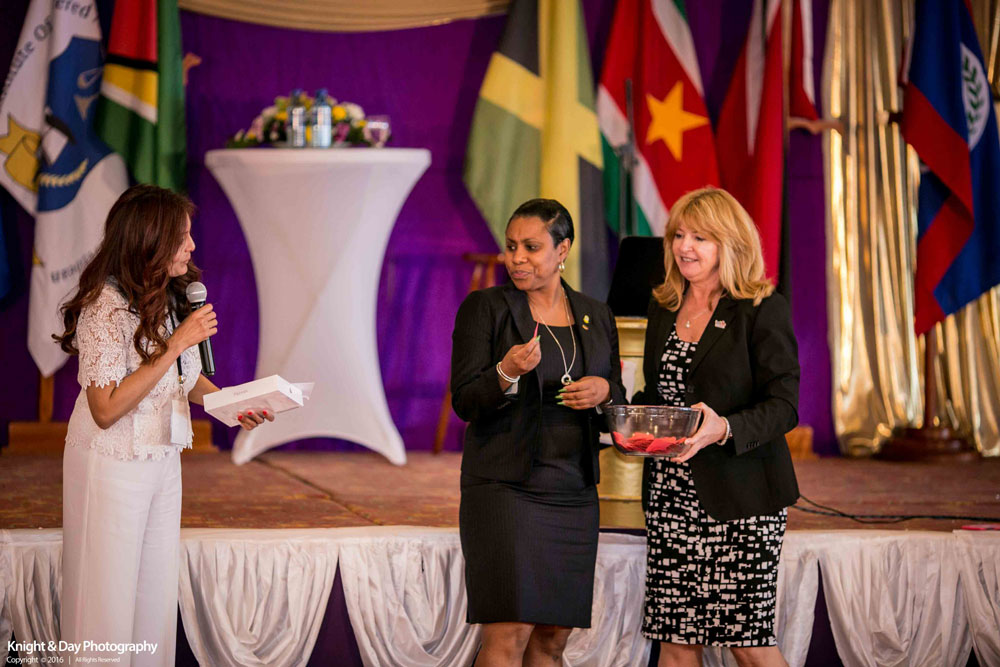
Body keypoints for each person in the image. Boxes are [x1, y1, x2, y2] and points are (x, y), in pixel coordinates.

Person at [55, 184, 274, 666]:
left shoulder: (173, 298)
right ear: (149, 240)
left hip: (162, 460)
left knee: (153, 598)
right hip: (111, 464)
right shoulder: (103, 308)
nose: (192, 246)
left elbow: (186, 379)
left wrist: (234, 406)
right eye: (182, 238)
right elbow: (105, 409)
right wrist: (175, 344)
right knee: (105, 600)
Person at [451, 199, 626, 666]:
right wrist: (505, 372)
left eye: (531, 247)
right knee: (509, 633)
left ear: (562, 250)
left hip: (573, 490)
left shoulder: (595, 314)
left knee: (552, 637)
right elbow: (465, 401)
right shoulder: (485, 308)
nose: (517, 258)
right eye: (511, 247)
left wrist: (605, 391)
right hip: (506, 489)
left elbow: (618, 400)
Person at [632, 187, 800, 667]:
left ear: (730, 244)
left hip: (742, 500)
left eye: (700, 238)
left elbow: (784, 406)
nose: (685, 247)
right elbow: (657, 395)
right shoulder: (664, 304)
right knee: (676, 642)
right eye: (679, 235)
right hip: (671, 498)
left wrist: (723, 427)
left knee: (747, 644)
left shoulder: (761, 307)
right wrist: (624, 420)